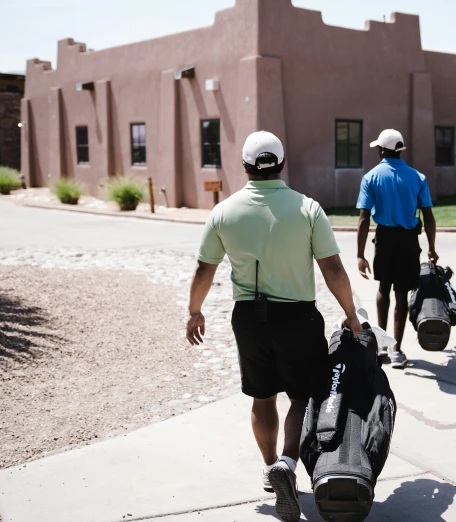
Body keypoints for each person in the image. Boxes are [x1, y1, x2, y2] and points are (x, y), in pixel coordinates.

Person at [186, 131, 362, 522]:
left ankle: (270, 470)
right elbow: (332, 267)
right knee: (301, 398)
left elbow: (204, 268)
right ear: (282, 163)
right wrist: (351, 314)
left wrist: (194, 310)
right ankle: (287, 461)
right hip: (298, 317)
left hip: (248, 319)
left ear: (245, 166)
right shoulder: (308, 209)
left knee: (262, 397)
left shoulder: (224, 212)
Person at [356, 129, 438, 369]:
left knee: (383, 288)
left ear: (382, 150)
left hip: (385, 238)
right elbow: (429, 216)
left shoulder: (371, 177)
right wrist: (432, 247)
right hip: (409, 240)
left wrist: (360, 255)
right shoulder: (417, 177)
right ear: (400, 150)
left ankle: (380, 347)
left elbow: (363, 219)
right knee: (401, 293)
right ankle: (397, 350)